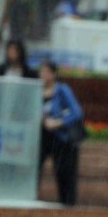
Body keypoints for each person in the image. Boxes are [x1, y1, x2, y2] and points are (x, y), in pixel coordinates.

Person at [38, 59, 84, 207]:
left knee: (64, 176)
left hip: (61, 138)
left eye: (46, 72)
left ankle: (67, 210)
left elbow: (77, 112)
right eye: (41, 72)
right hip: (41, 136)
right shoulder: (36, 89)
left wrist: (58, 122)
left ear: (53, 74)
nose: (43, 75)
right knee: (35, 172)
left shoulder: (62, 90)